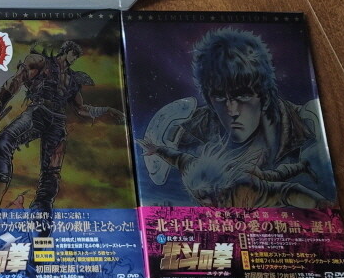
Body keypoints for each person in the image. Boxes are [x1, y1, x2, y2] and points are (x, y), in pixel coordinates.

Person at [138, 27, 332, 208]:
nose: (232, 110)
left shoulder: (307, 125)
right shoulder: (185, 133)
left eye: (243, 96)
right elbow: (179, 159)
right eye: (220, 97)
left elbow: (287, 192)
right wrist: (157, 149)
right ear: (210, 100)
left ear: (264, 97)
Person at [0, 40, 125, 231]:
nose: (74, 59)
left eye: (77, 57)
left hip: (57, 123)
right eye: (74, 54)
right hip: (38, 112)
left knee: (51, 175)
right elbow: (15, 81)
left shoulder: (72, 79)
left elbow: (81, 109)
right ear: (66, 51)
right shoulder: (41, 62)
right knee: (2, 142)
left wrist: (106, 110)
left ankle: (41, 227)